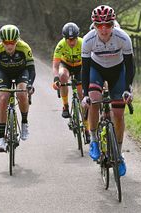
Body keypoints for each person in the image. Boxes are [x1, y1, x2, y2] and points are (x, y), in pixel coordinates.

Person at [81, 5, 135, 176]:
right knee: (95, 99)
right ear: (94, 26)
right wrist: (84, 95)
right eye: (99, 26)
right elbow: (85, 69)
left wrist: (128, 89)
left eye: (108, 25)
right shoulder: (89, 40)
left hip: (117, 72)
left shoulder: (123, 38)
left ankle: (118, 155)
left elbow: (130, 66)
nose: (103, 29)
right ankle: (95, 140)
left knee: (118, 115)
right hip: (96, 70)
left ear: (113, 25)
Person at [0, 24, 36, 152]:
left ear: (17, 41)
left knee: (22, 94)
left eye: (13, 42)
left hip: (21, 72)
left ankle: (24, 122)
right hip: (3, 73)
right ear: (2, 41)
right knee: (3, 98)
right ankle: (1, 138)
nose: (9, 46)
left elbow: (31, 69)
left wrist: (30, 84)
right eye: (6, 43)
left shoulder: (24, 48)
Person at [52, 22, 90, 142]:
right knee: (63, 75)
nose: (71, 42)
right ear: (65, 38)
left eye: (73, 39)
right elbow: (55, 65)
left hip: (80, 67)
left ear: (77, 37)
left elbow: (91, 61)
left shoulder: (83, 42)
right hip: (66, 65)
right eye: (68, 39)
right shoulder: (61, 45)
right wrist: (56, 79)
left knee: (82, 97)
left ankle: (87, 129)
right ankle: (65, 106)